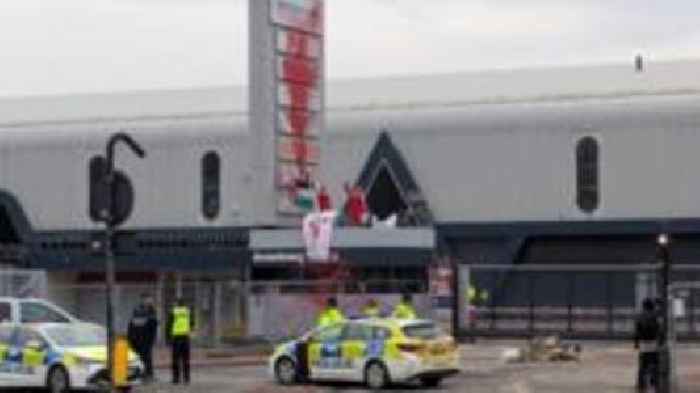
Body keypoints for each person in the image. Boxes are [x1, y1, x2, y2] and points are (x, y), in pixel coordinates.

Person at [127, 293, 158, 382]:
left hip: (142, 338)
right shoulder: (145, 310)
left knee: (145, 357)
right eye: (149, 299)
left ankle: (146, 374)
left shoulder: (148, 309)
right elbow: (133, 324)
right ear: (143, 299)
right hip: (141, 337)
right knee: (143, 357)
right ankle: (145, 374)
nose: (150, 301)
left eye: (150, 299)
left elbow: (153, 325)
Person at [166, 298, 195, 385]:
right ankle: (187, 379)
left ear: (177, 304)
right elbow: (192, 323)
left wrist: (168, 338)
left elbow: (169, 325)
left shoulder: (173, 312)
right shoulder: (188, 311)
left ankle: (176, 379)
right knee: (186, 359)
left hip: (176, 337)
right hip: (185, 337)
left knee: (175, 359)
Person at [635, 298, 661, 392]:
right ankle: (654, 383)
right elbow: (658, 329)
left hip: (643, 344)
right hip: (653, 343)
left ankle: (641, 384)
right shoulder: (654, 315)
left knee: (642, 365)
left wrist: (636, 343)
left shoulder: (640, 316)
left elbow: (637, 331)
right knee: (654, 364)